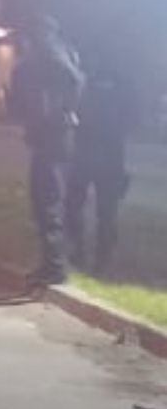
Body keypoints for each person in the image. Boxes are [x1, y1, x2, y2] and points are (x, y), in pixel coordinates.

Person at [4, 14, 84, 287]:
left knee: (48, 201)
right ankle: (55, 260)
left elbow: (75, 81)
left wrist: (63, 111)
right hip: (49, 137)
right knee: (47, 200)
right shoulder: (47, 57)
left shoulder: (50, 55)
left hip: (53, 137)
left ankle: (56, 266)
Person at [64, 56, 134, 273]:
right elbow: (133, 118)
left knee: (78, 205)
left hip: (88, 151)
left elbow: (73, 110)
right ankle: (100, 257)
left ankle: (81, 251)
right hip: (110, 154)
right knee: (106, 210)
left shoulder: (85, 83)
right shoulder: (124, 86)